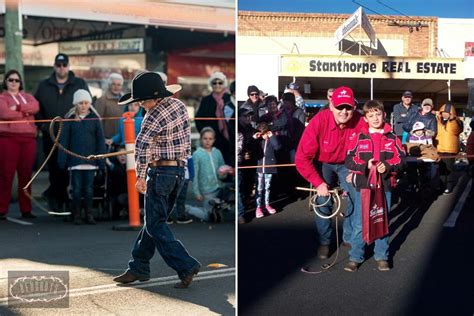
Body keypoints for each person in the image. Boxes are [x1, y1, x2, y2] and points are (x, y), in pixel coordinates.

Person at [113, 72, 200, 289]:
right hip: (178, 171)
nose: (141, 105)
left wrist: (140, 176)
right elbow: (184, 140)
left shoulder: (152, 117)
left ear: (155, 97)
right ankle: (138, 267)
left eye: (142, 100)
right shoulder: (179, 106)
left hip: (160, 173)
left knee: (155, 223)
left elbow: (141, 147)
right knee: (154, 221)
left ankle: (185, 265)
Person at [295, 86, 366, 259]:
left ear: (354, 107)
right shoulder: (319, 120)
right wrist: (318, 183)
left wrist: (360, 168)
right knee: (323, 200)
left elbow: (377, 137)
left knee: (356, 195)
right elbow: (301, 158)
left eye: (348, 107)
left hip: (348, 163)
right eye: (340, 106)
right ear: (332, 105)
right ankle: (325, 242)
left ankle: (349, 235)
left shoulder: (361, 121)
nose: (344, 111)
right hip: (324, 163)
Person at [344, 100, 405, 272]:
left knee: (381, 220)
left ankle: (382, 256)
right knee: (359, 223)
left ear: (384, 115)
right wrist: (365, 165)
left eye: (378, 114)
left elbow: (401, 159)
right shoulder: (358, 137)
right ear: (365, 118)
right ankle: (355, 257)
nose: (375, 118)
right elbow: (349, 160)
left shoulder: (393, 138)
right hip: (363, 186)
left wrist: (388, 166)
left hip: (384, 186)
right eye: (371, 115)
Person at [35, 53, 90, 213]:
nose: (61, 68)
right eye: (58, 65)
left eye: (64, 65)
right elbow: (36, 108)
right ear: (54, 66)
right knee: (54, 167)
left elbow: (87, 105)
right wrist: (44, 127)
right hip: (50, 134)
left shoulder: (79, 83)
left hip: (72, 134)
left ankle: (59, 196)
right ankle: (56, 198)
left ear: (68, 66)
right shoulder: (44, 85)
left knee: (67, 167)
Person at [57, 90, 106, 225]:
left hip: (90, 161)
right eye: (81, 103)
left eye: (86, 103)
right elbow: (64, 141)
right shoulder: (69, 120)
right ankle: (76, 214)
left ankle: (89, 213)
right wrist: (62, 159)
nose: (84, 105)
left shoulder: (95, 120)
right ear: (75, 104)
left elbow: (100, 141)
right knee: (76, 188)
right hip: (75, 161)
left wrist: (101, 161)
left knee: (89, 188)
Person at [0, 70, 39, 220]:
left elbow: (35, 106)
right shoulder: (2, 98)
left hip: (28, 139)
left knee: (26, 175)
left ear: (20, 82)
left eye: (17, 80)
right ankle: (2, 209)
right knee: (6, 174)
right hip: (8, 139)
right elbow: (3, 113)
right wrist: (25, 113)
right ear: (6, 82)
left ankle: (26, 209)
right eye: (11, 80)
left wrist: (17, 109)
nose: (14, 83)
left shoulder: (28, 97)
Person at [191, 127, 230, 222]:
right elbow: (195, 175)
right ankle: (188, 209)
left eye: (210, 139)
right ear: (201, 139)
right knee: (208, 217)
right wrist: (197, 192)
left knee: (230, 188)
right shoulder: (197, 154)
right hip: (207, 190)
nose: (207, 141)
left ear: (214, 140)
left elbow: (222, 168)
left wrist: (223, 173)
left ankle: (220, 205)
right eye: (205, 138)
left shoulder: (217, 152)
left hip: (220, 187)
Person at [195, 71, 233, 165]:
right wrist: (206, 133)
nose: (217, 85)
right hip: (212, 140)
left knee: (229, 165)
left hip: (229, 139)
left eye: (220, 82)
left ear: (224, 84)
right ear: (211, 84)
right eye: (214, 83)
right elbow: (198, 119)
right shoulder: (206, 100)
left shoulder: (229, 98)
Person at [253, 122, 281, 218]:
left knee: (267, 187)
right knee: (259, 188)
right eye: (262, 133)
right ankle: (258, 207)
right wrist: (254, 138)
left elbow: (277, 147)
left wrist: (272, 137)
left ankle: (267, 204)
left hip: (269, 167)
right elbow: (250, 146)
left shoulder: (271, 139)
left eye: (265, 133)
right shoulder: (258, 140)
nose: (263, 135)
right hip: (260, 168)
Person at [436, 103, 463, 194]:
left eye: (447, 112)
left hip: (450, 149)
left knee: (449, 169)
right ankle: (442, 186)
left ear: (452, 113)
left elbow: (455, 131)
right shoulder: (438, 120)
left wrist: (452, 120)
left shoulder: (456, 122)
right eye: (443, 112)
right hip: (439, 148)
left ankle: (449, 186)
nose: (445, 114)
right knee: (441, 169)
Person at [95, 73, 124, 139]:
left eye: (118, 85)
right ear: (109, 85)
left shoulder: (124, 100)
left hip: (123, 138)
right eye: (113, 84)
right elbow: (98, 121)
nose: (116, 87)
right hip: (108, 139)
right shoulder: (102, 100)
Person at [167, 156, 194, 224]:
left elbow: (191, 166)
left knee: (182, 198)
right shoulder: (171, 153)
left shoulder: (188, 155)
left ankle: (181, 216)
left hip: (184, 178)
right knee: (169, 197)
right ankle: (167, 216)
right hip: (172, 178)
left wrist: (191, 176)